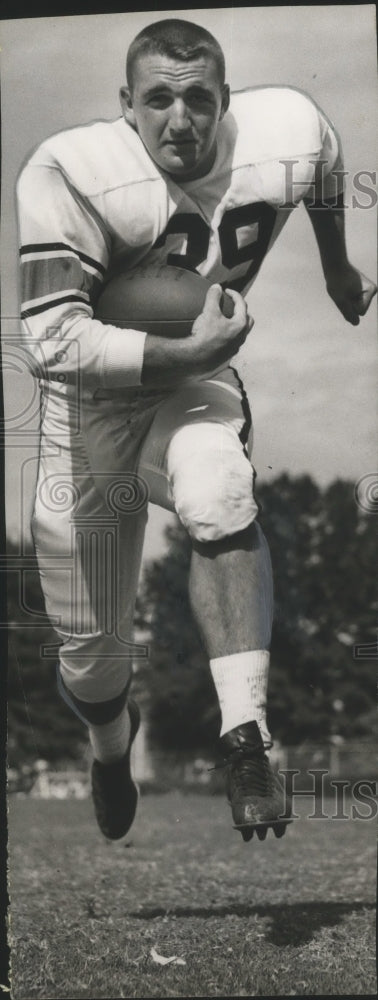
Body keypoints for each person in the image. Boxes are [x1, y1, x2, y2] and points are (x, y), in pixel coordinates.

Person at [16, 18, 376, 843]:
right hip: (88, 404)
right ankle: (112, 745)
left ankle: (245, 739)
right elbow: (51, 341)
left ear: (226, 98)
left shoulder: (280, 128)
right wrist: (186, 344)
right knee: (94, 662)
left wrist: (335, 264)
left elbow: (324, 155)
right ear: (126, 105)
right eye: (159, 100)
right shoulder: (70, 171)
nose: (181, 120)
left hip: (193, 381)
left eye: (199, 99)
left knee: (221, 492)